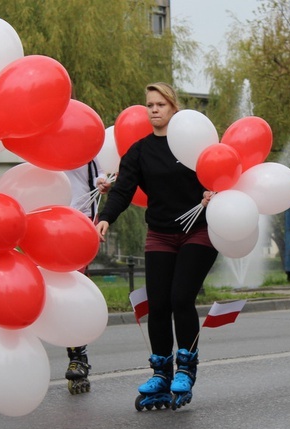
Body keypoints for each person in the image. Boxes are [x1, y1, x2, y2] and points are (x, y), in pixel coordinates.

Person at [95, 82, 218, 411]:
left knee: (181, 298)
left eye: (160, 104)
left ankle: (186, 369)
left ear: (174, 108)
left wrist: (213, 191)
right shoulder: (139, 150)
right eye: (149, 104)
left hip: (199, 231)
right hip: (161, 233)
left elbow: (219, 172)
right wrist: (106, 217)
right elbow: (122, 189)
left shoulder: (195, 144)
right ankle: (161, 374)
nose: (153, 110)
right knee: (158, 304)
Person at [62, 158, 110, 394]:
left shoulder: (84, 134)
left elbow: (97, 173)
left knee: (70, 291)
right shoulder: (38, 133)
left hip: (78, 219)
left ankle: (78, 357)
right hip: (42, 220)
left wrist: (101, 181)